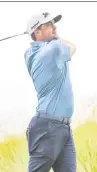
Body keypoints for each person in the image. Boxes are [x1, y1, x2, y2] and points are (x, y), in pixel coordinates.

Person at [24, 12, 77, 172]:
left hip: (62, 128)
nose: (54, 27)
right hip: (48, 128)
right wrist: (57, 37)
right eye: (48, 25)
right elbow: (73, 47)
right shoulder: (53, 49)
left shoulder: (31, 53)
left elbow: (33, 47)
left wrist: (51, 35)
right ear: (37, 32)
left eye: (53, 24)